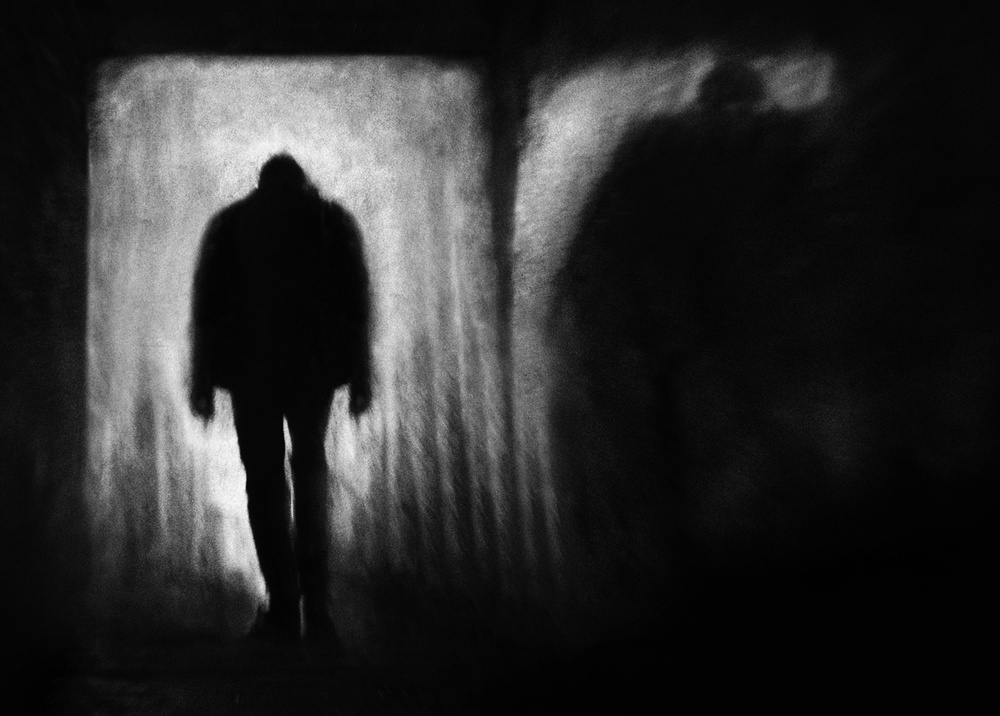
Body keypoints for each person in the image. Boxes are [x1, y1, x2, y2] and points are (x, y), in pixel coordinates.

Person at [188, 153, 372, 644]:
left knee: (264, 483)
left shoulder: (231, 223)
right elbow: (356, 303)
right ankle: (317, 607)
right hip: (312, 371)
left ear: (261, 185)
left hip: (252, 372)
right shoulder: (331, 221)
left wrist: (201, 378)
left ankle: (284, 605)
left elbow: (206, 307)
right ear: (303, 184)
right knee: (310, 472)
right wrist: (361, 374)